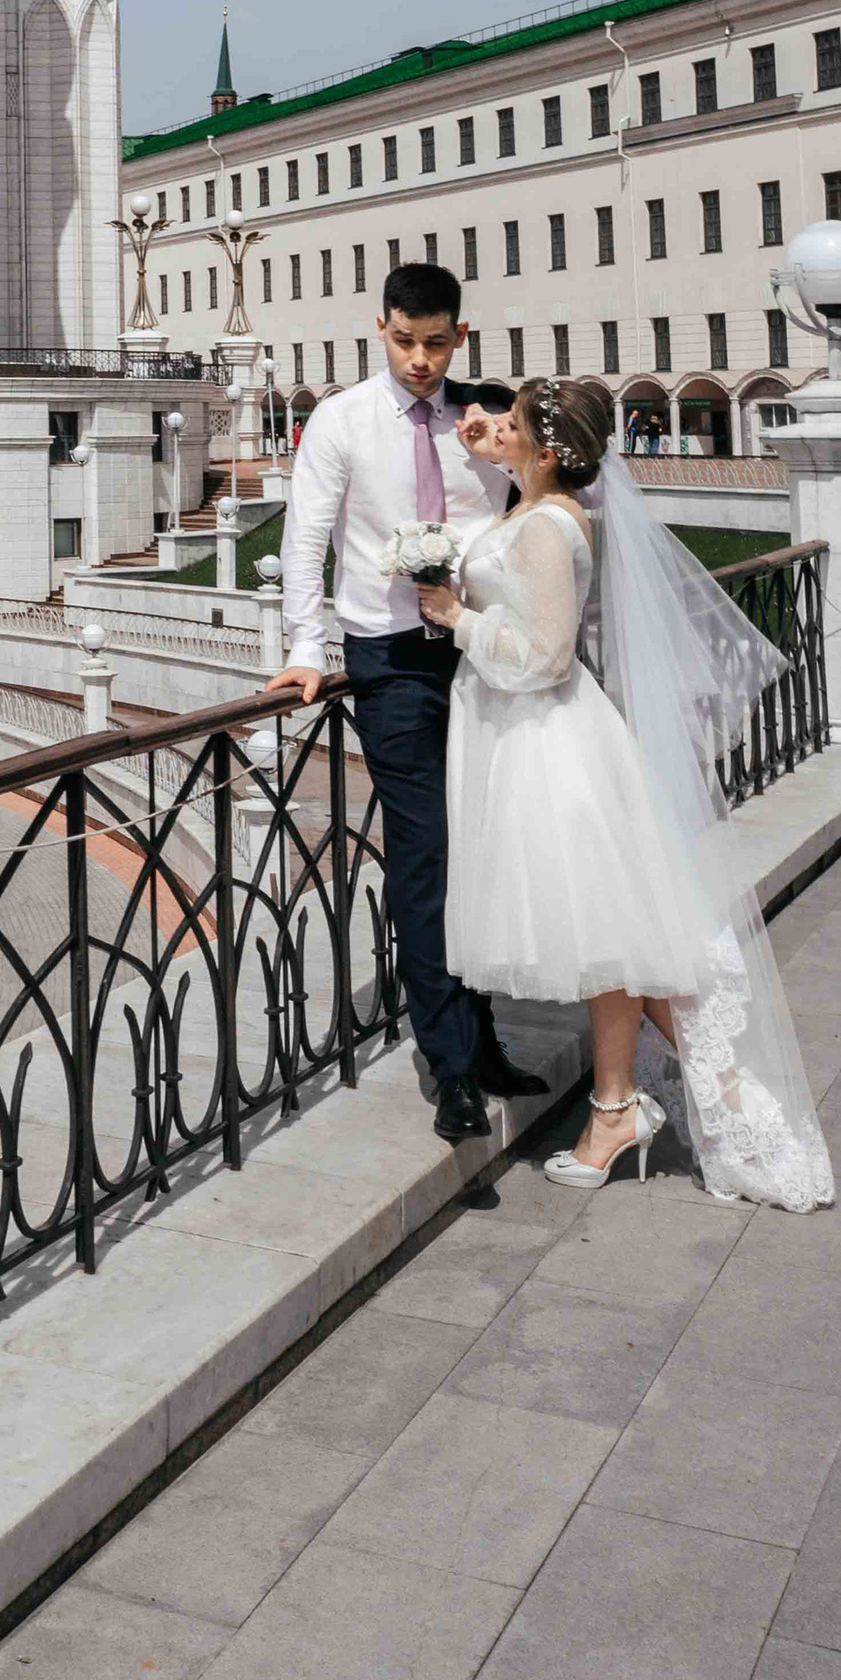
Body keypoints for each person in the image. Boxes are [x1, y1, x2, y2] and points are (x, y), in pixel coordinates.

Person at [421, 373, 833, 1207]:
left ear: (543, 449)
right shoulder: (536, 510)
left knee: (615, 938)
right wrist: (480, 461)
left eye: (509, 422)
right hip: (526, 740)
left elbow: (543, 658)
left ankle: (694, 1109)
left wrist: (453, 616)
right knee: (613, 940)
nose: (490, 426)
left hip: (547, 746)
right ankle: (627, 1107)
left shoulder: (546, 525)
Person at [270, 265, 539, 1140]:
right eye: (403, 341)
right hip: (387, 660)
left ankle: (484, 1034)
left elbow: (547, 501)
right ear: (377, 329)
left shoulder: (487, 416)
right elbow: (306, 535)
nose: (419, 361)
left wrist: (502, 444)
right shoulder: (342, 420)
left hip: (483, 652)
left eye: (434, 343)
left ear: (459, 334)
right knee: (424, 854)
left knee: (490, 846)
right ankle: (452, 1066)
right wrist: (308, 651)